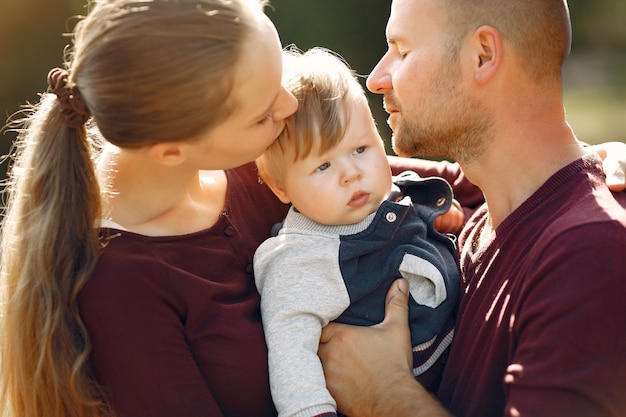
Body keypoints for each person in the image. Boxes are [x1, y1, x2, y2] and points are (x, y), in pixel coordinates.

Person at [0, 1, 486, 416]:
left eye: (278, 78)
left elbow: (467, 183)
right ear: (173, 151)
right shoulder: (121, 288)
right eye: (261, 112)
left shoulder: (260, 157)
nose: (288, 107)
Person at [317, 1, 626, 417]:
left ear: (482, 55)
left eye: (402, 51)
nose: (376, 79)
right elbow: (311, 165)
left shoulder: (590, 253)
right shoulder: (481, 213)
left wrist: (386, 395)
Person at [254, 47, 463, 417]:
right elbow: (292, 357)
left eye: (361, 148)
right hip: (396, 396)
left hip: (454, 372)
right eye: (322, 166)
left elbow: (406, 194)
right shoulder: (303, 260)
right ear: (280, 188)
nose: (351, 172)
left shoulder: (381, 194)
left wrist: (438, 215)